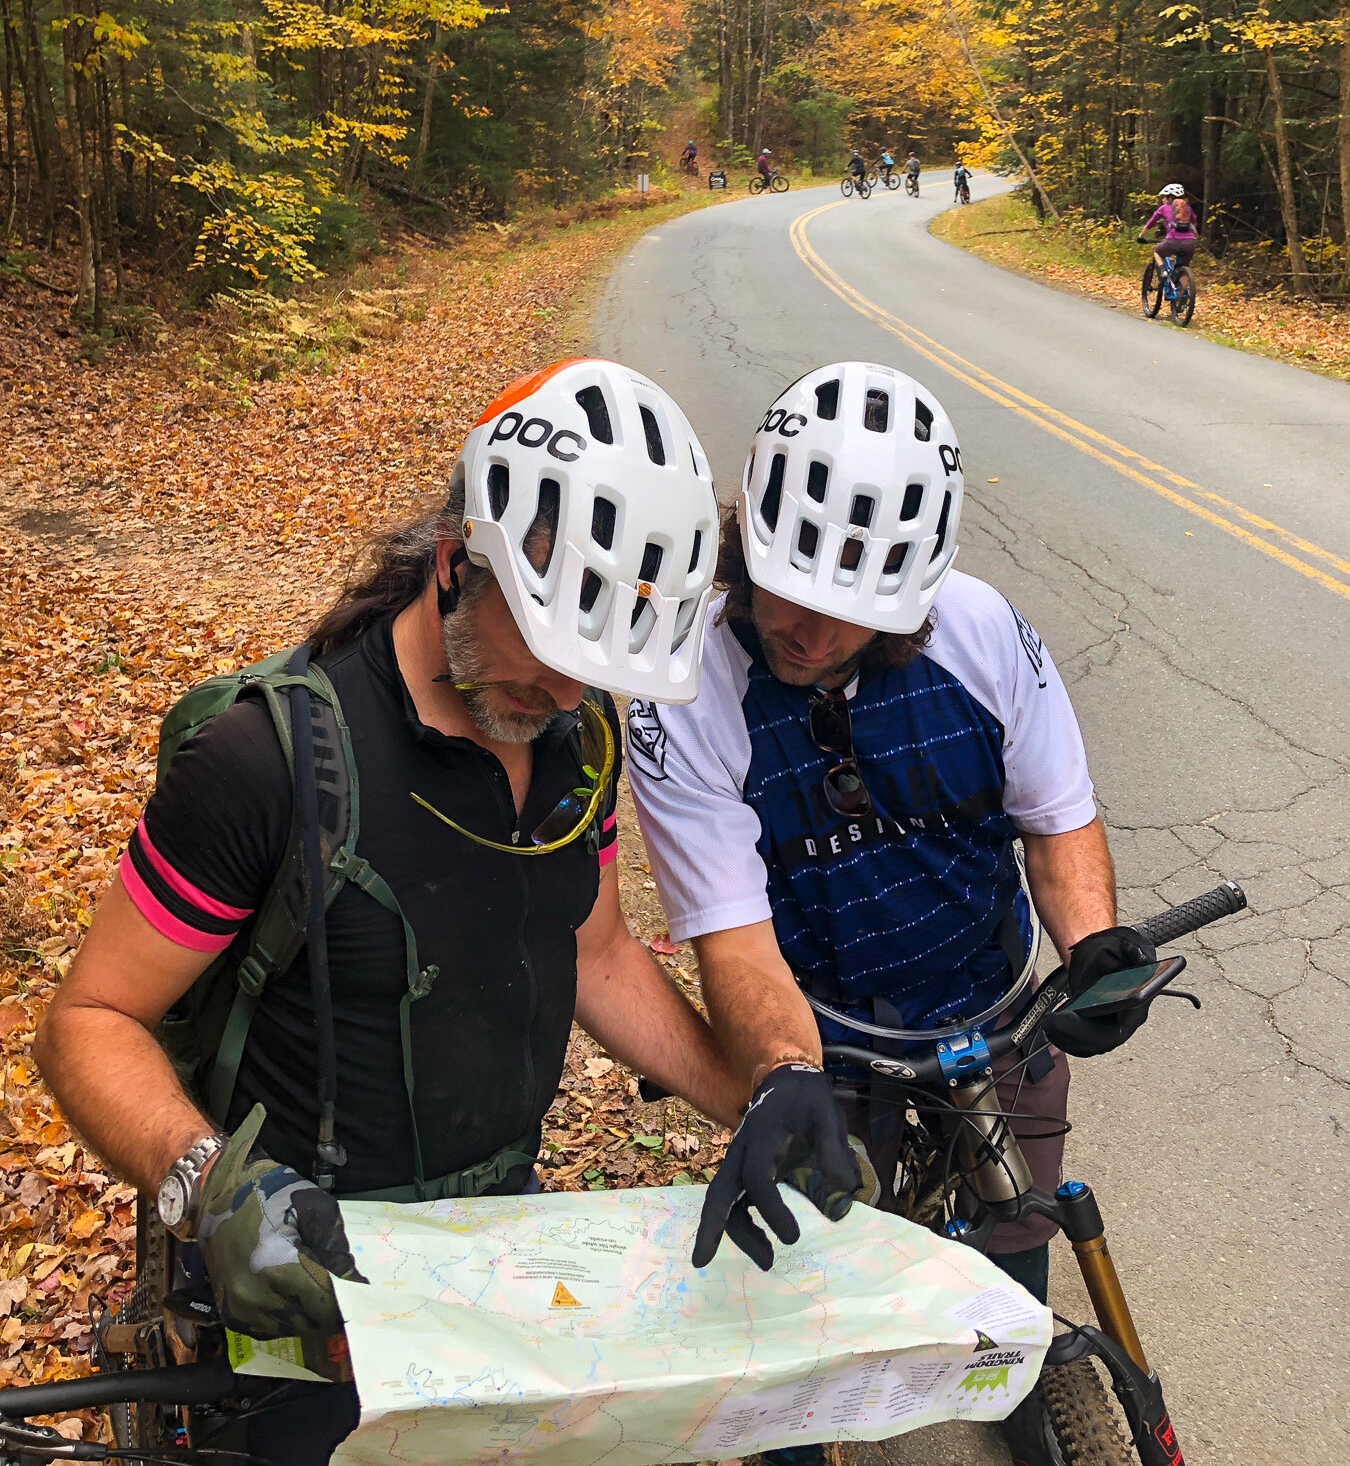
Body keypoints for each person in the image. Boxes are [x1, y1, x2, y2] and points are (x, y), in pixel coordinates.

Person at [36, 358, 834, 1463]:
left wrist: (759, 1094)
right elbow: (88, 1021)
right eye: (548, 656)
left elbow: (593, 947)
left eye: (592, 673)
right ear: (460, 562)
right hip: (308, 1268)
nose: (562, 696)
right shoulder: (267, 760)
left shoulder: (573, 739)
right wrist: (209, 1190)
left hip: (496, 1231)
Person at [626, 361, 1157, 1454]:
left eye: (847, 613)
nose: (808, 634)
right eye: (785, 591)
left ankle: (1011, 1382)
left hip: (989, 991)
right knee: (808, 1265)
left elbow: (1056, 819)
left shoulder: (980, 628)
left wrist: (1093, 940)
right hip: (825, 1015)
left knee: (1015, 1222)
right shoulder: (685, 684)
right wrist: (782, 1075)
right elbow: (731, 929)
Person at [1138, 182, 1197, 268]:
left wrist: (1141, 235)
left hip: (1172, 241)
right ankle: (1185, 277)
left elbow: (1150, 223)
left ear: (1170, 198)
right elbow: (1193, 223)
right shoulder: (1188, 208)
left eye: (1165, 197)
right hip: (1189, 243)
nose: (1163, 199)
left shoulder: (1164, 208)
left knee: (1157, 252)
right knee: (1183, 268)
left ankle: (1163, 271)